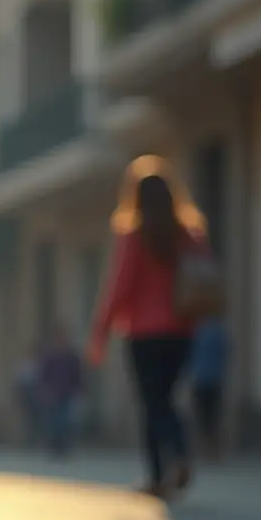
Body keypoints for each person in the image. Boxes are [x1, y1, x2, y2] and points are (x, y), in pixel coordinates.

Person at [88, 155, 211, 500]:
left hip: (143, 334)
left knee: (151, 402)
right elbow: (203, 277)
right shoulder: (189, 233)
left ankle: (159, 473)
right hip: (182, 330)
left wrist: (100, 333)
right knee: (167, 399)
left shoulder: (134, 235)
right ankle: (181, 455)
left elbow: (120, 286)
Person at [38, 324, 83, 457]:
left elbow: (77, 374)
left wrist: (79, 389)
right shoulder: (50, 356)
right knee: (54, 421)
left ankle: (64, 447)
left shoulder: (71, 356)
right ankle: (54, 447)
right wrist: (44, 390)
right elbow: (44, 374)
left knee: (66, 421)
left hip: (67, 392)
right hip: (53, 393)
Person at [191, 316, 230, 459]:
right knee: (213, 418)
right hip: (214, 380)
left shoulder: (195, 332)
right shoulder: (218, 332)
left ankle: (206, 450)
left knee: (202, 418)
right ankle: (215, 451)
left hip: (201, 380)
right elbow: (226, 354)